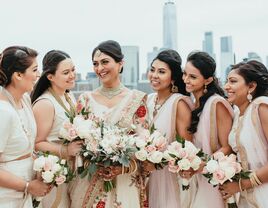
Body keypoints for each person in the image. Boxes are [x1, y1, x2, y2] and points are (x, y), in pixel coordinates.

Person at [69, 40, 149, 208]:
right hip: (91, 182)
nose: (99, 68)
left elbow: (145, 146)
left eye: (105, 62)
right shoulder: (85, 100)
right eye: (95, 64)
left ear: (121, 63)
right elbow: (78, 145)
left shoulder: (136, 100)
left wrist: (122, 168)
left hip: (125, 181)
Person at [181, 51, 233, 208]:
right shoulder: (194, 104)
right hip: (199, 178)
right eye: (185, 74)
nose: (186, 80)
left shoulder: (217, 103)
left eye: (193, 77)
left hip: (215, 178)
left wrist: (204, 165)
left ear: (208, 80)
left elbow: (227, 147)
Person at [0, 46, 50, 207]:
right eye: (34, 70)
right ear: (18, 75)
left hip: (26, 192)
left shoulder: (26, 100)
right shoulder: (3, 112)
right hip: (7, 195)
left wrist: (44, 167)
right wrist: (27, 186)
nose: (38, 75)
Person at [31, 50, 82, 208]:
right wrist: (65, 150)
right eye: (66, 72)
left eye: (73, 70)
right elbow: (36, 143)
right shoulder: (45, 103)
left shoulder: (69, 96)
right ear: (50, 76)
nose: (72, 75)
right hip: (53, 175)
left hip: (71, 173)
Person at [146, 49, 193, 208]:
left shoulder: (179, 103)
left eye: (161, 72)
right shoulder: (148, 100)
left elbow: (186, 148)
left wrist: (159, 161)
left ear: (173, 78)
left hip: (169, 178)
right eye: (152, 70)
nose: (154, 75)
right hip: (146, 177)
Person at [221, 60, 268, 208]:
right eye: (226, 81)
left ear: (252, 86)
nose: (226, 86)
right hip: (245, 197)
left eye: (233, 81)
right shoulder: (237, 112)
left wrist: (241, 185)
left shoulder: (261, 107)